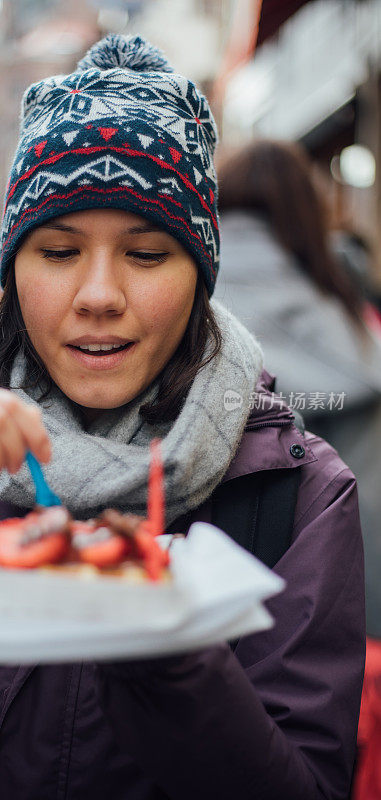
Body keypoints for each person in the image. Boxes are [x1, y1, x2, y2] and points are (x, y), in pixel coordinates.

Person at [0, 36, 364, 800]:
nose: (97, 294)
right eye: (57, 251)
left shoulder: (299, 491)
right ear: (13, 270)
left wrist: (166, 647)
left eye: (148, 254)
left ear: (200, 274)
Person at [215, 139, 381, 639]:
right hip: (337, 606)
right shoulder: (347, 312)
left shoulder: (179, 303)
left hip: (209, 606)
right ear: (308, 210)